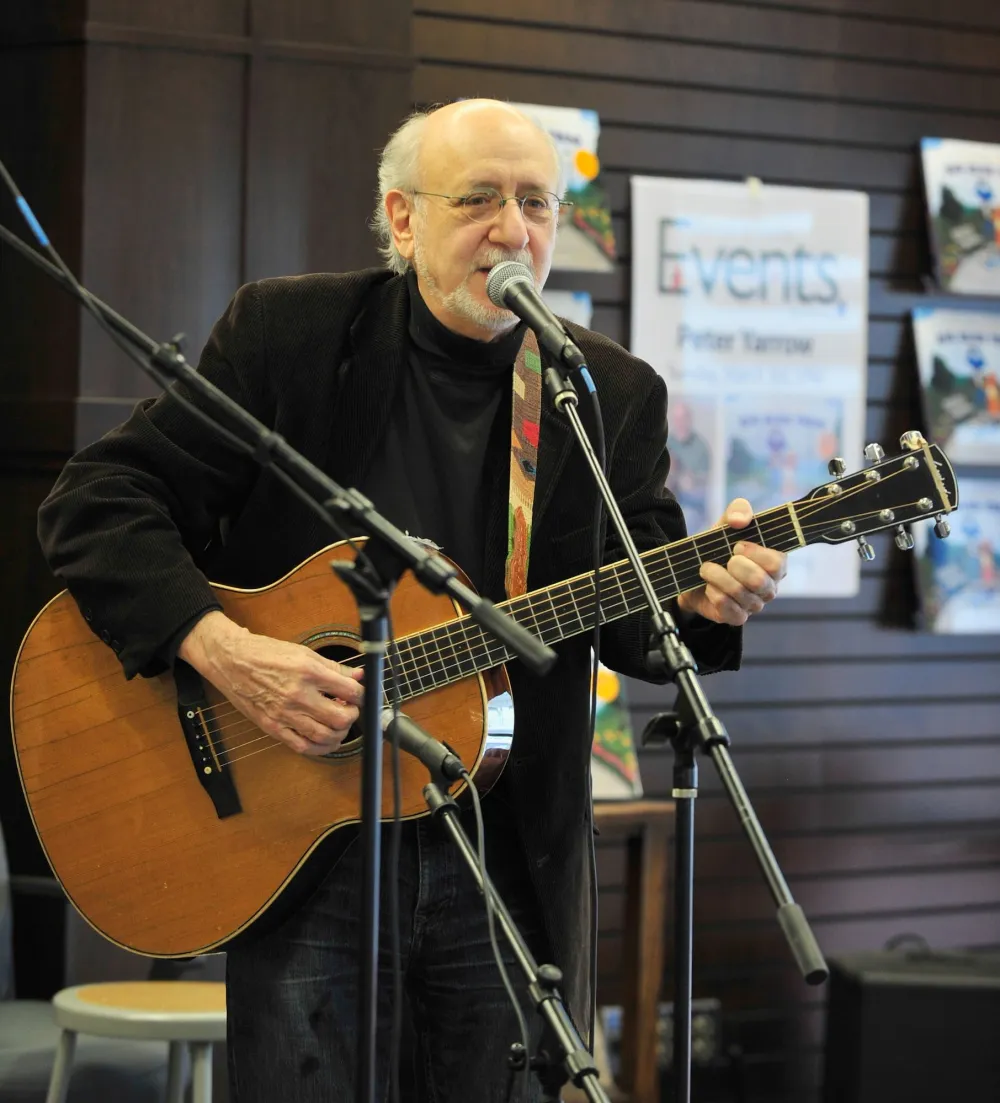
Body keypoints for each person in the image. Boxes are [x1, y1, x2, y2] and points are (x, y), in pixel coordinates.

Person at [36, 99, 787, 1102]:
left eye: (536, 203)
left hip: (502, 846)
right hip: (305, 834)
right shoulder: (289, 338)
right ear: (401, 218)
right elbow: (98, 499)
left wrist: (705, 603)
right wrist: (222, 649)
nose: (512, 230)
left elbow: (631, 608)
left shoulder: (601, 389)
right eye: (478, 199)